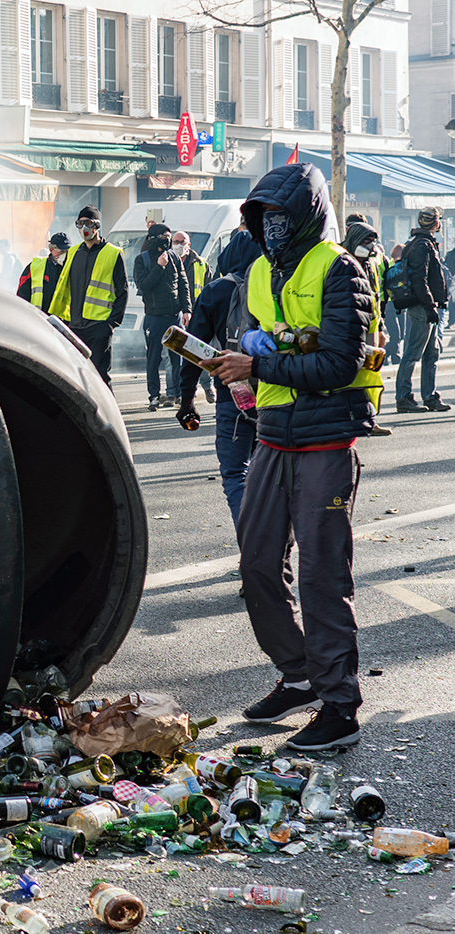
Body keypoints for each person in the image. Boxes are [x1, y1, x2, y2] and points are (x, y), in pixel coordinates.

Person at [209, 162, 379, 752]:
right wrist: (234, 362)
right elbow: (261, 336)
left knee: (322, 576)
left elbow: (338, 363)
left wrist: (257, 363)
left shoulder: (341, 269)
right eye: (264, 217)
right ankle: (299, 672)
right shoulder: (258, 270)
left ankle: (340, 705)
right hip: (272, 433)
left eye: (281, 216)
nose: (272, 227)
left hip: (328, 441)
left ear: (306, 215)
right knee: (257, 564)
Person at [175, 228, 265, 529]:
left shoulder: (216, 290)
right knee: (273, 477)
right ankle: (278, 551)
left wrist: (187, 398)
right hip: (278, 394)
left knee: (235, 473)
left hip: (233, 396)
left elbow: (193, 348)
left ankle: (256, 551)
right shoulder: (275, 286)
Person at [45, 205, 128, 385]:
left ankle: (107, 413)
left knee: (100, 377)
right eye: (80, 223)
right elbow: (63, 285)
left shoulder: (112, 253)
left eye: (88, 223)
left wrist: (111, 324)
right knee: (78, 376)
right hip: (75, 326)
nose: (84, 228)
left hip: (99, 326)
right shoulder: (73, 252)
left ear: (97, 226)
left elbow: (123, 291)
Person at [393, 207, 450, 414]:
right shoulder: (422, 246)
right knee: (412, 353)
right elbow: (419, 280)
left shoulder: (419, 243)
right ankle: (404, 397)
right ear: (437, 224)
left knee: (431, 354)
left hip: (426, 306)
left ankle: (430, 396)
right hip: (422, 307)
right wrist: (429, 306)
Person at [341, 221, 394, 436]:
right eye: (366, 241)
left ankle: (369, 419)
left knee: (371, 373)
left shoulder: (371, 264)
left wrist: (380, 326)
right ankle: (346, 419)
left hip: (369, 324)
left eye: (373, 241)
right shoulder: (341, 261)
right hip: (346, 325)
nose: (371, 246)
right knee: (346, 374)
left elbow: (376, 296)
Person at [134, 222, 190, 410]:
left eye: (169, 236)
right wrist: (159, 267)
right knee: (154, 358)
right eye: (165, 237)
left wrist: (187, 310)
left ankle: (177, 393)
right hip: (154, 318)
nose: (168, 241)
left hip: (174, 316)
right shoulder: (142, 260)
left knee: (177, 357)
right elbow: (144, 286)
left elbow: (183, 284)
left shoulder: (174, 257)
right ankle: (154, 396)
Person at [173, 229, 216, 403]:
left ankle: (207, 386)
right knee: (179, 354)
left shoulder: (200, 263)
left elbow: (210, 287)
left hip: (198, 314)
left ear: (188, 245)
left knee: (201, 351)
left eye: (182, 242)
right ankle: (177, 393)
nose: (178, 245)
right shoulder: (168, 261)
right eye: (175, 241)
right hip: (177, 313)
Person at [17, 232, 69, 311]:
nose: (65, 254)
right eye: (61, 250)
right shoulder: (35, 266)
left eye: (67, 250)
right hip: (39, 318)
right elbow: (22, 294)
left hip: (63, 321)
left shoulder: (72, 268)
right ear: (51, 249)